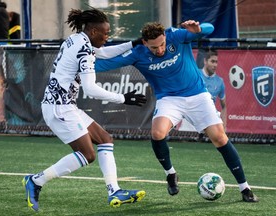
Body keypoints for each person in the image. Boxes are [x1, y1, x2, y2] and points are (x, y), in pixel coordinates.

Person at [95, 21, 259, 202]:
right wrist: (79, 63)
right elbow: (103, 65)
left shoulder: (176, 36)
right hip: (169, 99)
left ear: (165, 37)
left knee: (219, 138)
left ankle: (245, 188)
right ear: (144, 43)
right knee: (157, 133)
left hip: (197, 94)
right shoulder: (137, 54)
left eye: (162, 44)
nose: (159, 50)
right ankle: (170, 174)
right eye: (154, 47)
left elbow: (209, 28)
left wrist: (199, 29)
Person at [22, 8, 147, 212]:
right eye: (106, 33)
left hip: (64, 105)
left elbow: (104, 52)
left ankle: (114, 191)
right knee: (87, 154)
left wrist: (133, 43)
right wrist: (122, 98)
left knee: (105, 139)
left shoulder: (77, 39)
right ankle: (35, 181)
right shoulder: (85, 50)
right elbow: (90, 89)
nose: (108, 37)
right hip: (59, 109)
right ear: (93, 32)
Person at [198, 49, 226, 141]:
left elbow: (224, 107)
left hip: (208, 116)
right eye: (212, 61)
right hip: (192, 114)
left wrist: (224, 129)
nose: (215, 65)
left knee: (220, 137)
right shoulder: (196, 75)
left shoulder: (219, 81)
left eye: (216, 62)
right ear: (205, 61)